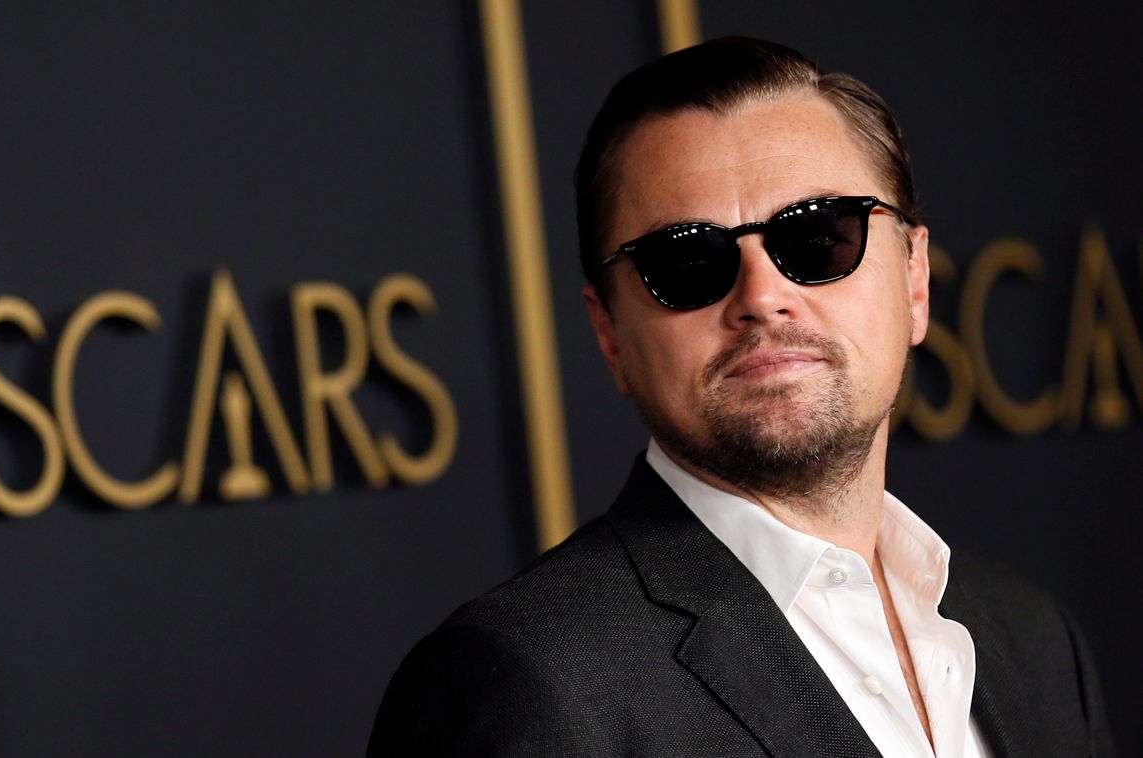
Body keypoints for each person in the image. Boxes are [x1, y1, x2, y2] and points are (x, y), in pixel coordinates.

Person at [368, 37, 1114, 757]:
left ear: (914, 281)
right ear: (610, 333)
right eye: (686, 261)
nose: (762, 296)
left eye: (818, 236)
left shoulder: (1032, 640)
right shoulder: (528, 683)